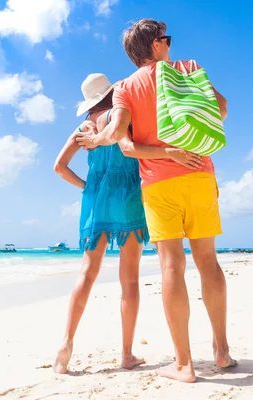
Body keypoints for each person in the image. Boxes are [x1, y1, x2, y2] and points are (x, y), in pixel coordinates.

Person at [76, 19, 236, 383]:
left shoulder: (126, 88)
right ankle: (222, 351)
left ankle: (184, 364)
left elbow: (118, 135)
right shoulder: (189, 70)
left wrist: (96, 140)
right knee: (208, 262)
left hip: (159, 184)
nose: (170, 43)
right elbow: (222, 110)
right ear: (156, 45)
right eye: (167, 38)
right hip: (199, 173)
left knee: (171, 267)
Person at [52, 73, 201, 374]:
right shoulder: (122, 116)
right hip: (130, 196)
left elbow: (59, 167)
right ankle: (126, 353)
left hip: (95, 201)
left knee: (87, 272)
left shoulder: (83, 127)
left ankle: (66, 346)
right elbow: (135, 147)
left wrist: (89, 187)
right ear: (111, 93)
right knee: (129, 279)